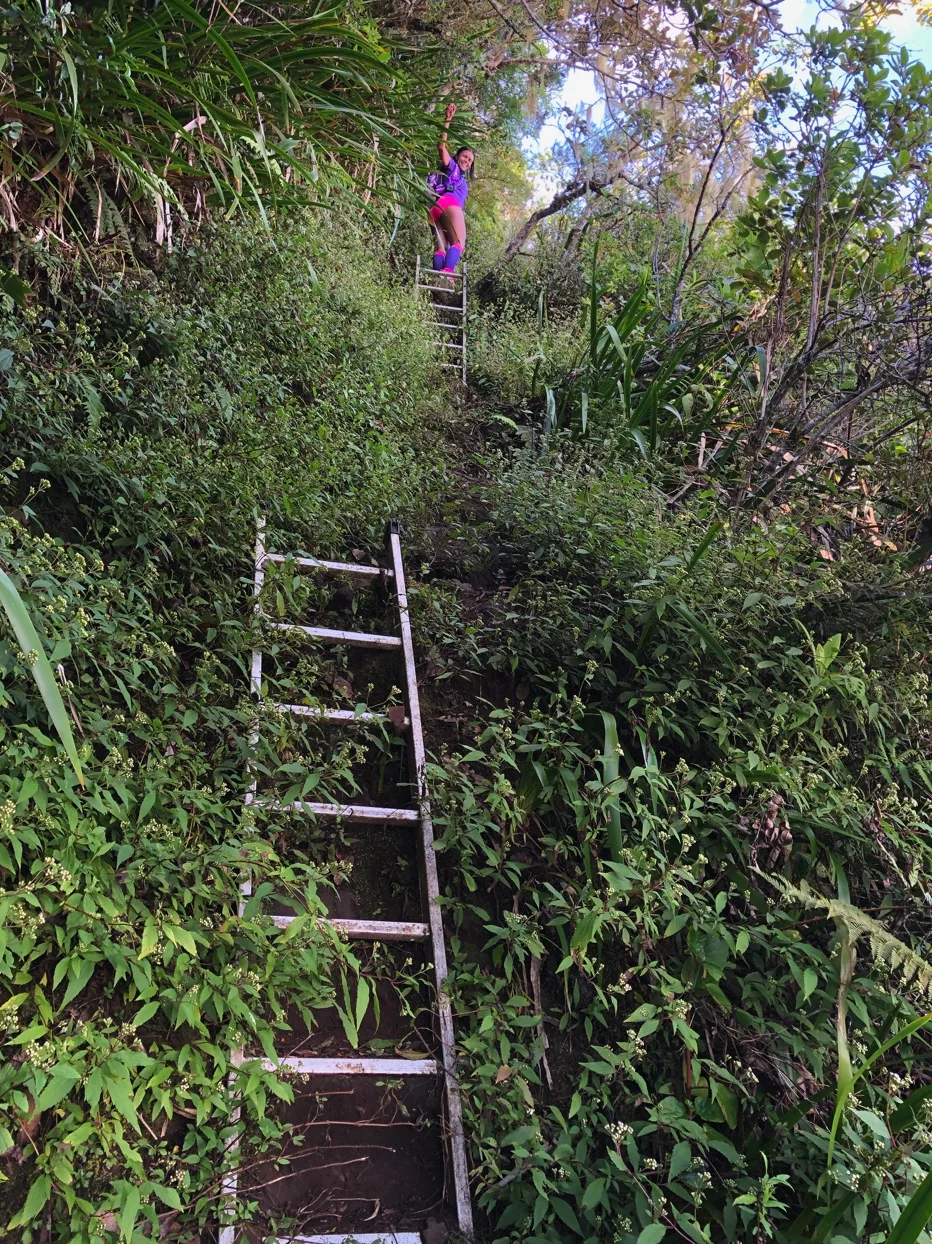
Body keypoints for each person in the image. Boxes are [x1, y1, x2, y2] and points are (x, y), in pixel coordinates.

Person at [427, 102, 474, 279]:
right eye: (465, 156)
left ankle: (437, 279)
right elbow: (441, 147)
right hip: (449, 203)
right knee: (458, 243)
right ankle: (447, 275)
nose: (467, 161)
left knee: (441, 247)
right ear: (457, 156)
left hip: (434, 207)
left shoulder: (456, 175)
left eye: (470, 161)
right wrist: (448, 120)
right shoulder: (452, 167)